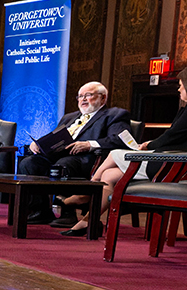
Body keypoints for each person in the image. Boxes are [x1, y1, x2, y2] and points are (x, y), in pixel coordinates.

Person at [63, 63, 187, 236]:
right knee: (109, 175)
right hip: (174, 161)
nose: (179, 89)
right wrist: (152, 144)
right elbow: (177, 136)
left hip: (174, 164)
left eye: (181, 84)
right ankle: (87, 221)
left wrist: (148, 145)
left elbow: (171, 137)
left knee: (114, 154)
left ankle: (88, 191)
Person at [19, 81, 133, 225]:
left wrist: (89, 144)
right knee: (29, 163)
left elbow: (119, 140)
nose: (83, 99)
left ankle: (67, 212)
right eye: (80, 96)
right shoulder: (69, 117)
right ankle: (40, 211)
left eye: (88, 95)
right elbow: (54, 136)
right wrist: (38, 143)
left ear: (103, 98)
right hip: (59, 155)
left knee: (63, 165)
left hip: (88, 159)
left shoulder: (114, 115)